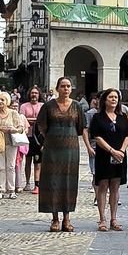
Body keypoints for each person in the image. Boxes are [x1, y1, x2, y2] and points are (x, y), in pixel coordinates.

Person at [36, 77, 85, 232]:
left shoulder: (77, 106)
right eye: (62, 86)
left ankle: (67, 218)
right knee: (52, 182)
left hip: (71, 149)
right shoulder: (48, 106)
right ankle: (55, 219)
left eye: (68, 86)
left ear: (71, 89)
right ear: (57, 88)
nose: (66, 89)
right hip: (52, 149)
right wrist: (52, 138)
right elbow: (41, 126)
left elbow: (80, 127)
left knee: (68, 182)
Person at [89, 88, 128, 232]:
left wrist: (121, 151)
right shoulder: (98, 117)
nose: (114, 100)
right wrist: (112, 151)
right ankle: (102, 219)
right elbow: (97, 136)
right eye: (111, 97)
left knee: (115, 186)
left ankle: (114, 218)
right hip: (104, 155)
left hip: (119, 156)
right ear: (105, 100)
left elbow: (127, 135)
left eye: (116, 97)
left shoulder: (122, 116)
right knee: (103, 186)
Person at [0, 92, 24, 200]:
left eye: (2, 100)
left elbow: (21, 127)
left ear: (7, 101)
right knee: (1, 167)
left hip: (11, 142)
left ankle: (11, 190)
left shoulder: (13, 113)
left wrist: (13, 129)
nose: (0, 102)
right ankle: (1, 189)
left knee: (11, 166)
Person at [20, 86, 43, 195]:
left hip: (39, 137)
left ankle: (37, 184)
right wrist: (36, 120)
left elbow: (43, 119)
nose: (34, 95)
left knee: (38, 162)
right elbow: (22, 119)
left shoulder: (42, 106)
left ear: (39, 95)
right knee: (28, 161)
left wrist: (30, 120)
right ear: (29, 94)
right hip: (27, 136)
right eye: (32, 93)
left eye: (36, 93)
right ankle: (27, 182)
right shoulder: (24, 106)